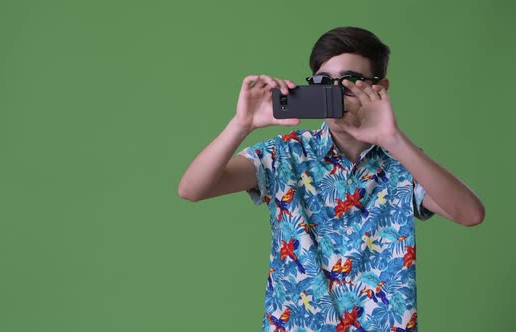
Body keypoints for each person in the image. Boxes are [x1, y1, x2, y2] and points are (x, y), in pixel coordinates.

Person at [178, 26, 484, 331]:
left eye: (350, 81)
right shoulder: (285, 154)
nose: (336, 93)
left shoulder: (402, 162)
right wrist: (240, 124)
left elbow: (470, 214)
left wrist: (393, 139)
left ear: (381, 88)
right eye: (325, 82)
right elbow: (192, 188)